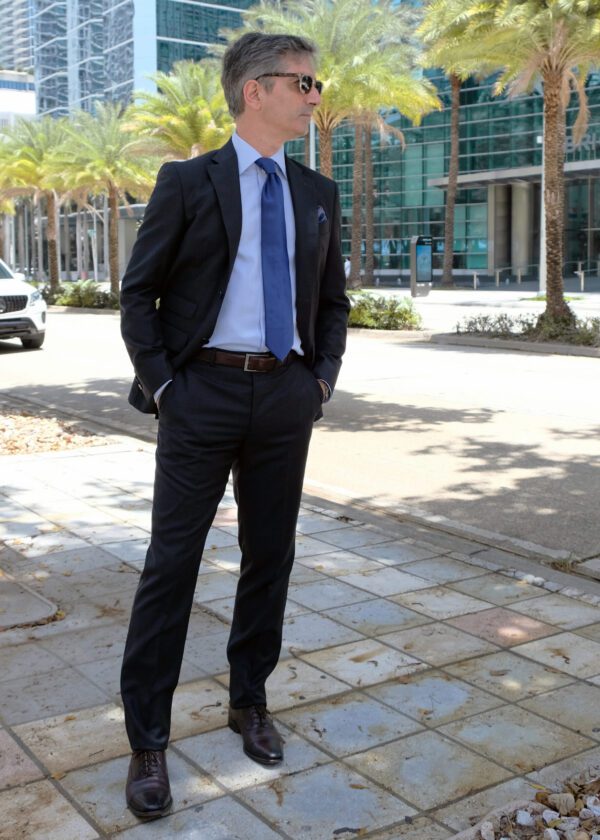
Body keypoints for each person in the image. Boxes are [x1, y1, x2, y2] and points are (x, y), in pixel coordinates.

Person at [119, 31, 349, 821]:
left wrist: (318, 382)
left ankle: (249, 700)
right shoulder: (188, 181)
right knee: (171, 564)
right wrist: (167, 389)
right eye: (306, 84)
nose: (316, 96)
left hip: (285, 396)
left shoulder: (317, 192)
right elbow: (138, 294)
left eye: (316, 85)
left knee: (270, 558)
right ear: (257, 90)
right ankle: (147, 738)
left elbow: (334, 303)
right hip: (202, 396)